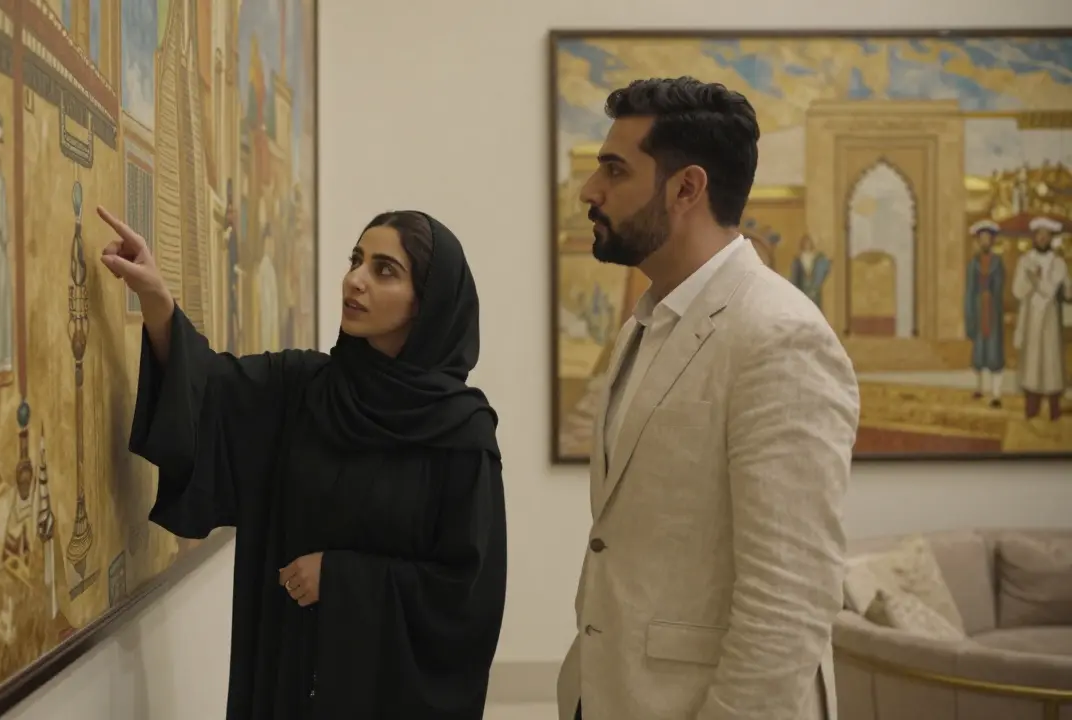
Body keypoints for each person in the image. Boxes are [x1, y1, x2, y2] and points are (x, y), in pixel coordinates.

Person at [97, 207, 507, 719]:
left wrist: (343, 580)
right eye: (356, 260)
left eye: (384, 270)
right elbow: (210, 391)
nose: (355, 280)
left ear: (429, 301)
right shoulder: (303, 389)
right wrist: (157, 302)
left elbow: (467, 598)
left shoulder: (461, 434)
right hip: (289, 675)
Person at [557, 77, 860, 720]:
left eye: (614, 169)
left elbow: (790, 599)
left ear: (686, 187)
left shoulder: (779, 336)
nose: (590, 190)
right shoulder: (646, 324)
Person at [1012, 215, 1067, 421]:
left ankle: (1054, 412)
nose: (1042, 238)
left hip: (1050, 320)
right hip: (1031, 320)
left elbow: (1050, 290)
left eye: (1046, 235)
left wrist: (1035, 279)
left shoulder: (1058, 263)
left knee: (1051, 364)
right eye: (1039, 235)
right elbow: (1017, 291)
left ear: (1051, 238)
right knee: (1032, 365)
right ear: (1034, 237)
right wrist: (1029, 280)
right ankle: (1031, 411)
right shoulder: (1024, 260)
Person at [964, 219, 1006, 408]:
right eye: (982, 238)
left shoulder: (998, 262)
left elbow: (1000, 286)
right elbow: (970, 290)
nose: (985, 242)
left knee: (994, 351)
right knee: (979, 350)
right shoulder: (973, 264)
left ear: (993, 241)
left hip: (993, 310)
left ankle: (996, 393)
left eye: (988, 238)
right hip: (978, 308)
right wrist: (970, 312)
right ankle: (979, 387)